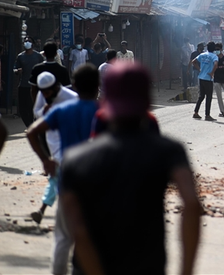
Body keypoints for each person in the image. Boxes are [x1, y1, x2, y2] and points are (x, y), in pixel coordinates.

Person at [60, 62, 201, 275]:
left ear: (106, 99)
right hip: (147, 265)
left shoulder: (75, 159)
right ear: (147, 98)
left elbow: (78, 230)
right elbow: (191, 204)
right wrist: (186, 271)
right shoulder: (169, 151)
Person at [26, 64, 100, 275]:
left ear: (74, 85)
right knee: (95, 239)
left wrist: (45, 160)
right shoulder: (104, 111)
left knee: (62, 240)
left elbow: (31, 132)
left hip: (69, 182)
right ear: (98, 86)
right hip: (96, 184)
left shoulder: (62, 110)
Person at [29, 72, 78, 225]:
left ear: (56, 87)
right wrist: (43, 111)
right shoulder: (43, 96)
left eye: (48, 92)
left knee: (57, 175)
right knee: (57, 173)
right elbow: (36, 112)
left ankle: (43, 209)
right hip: (53, 140)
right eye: (43, 93)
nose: (46, 95)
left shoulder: (71, 97)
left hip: (72, 141)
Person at [14, 36, 45, 127]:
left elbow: (43, 68)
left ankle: (33, 125)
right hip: (23, 85)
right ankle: (28, 125)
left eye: (29, 41)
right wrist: (17, 71)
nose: (27, 42)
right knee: (23, 108)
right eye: (25, 41)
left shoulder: (38, 56)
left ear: (33, 44)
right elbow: (15, 69)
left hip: (35, 85)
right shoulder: (20, 56)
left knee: (32, 106)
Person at [192, 41, 218, 122]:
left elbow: (193, 61)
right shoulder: (214, 56)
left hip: (201, 77)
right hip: (208, 78)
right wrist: (212, 73)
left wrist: (199, 69)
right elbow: (216, 64)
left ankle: (196, 112)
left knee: (201, 96)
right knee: (209, 97)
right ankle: (207, 115)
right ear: (214, 49)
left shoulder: (202, 55)